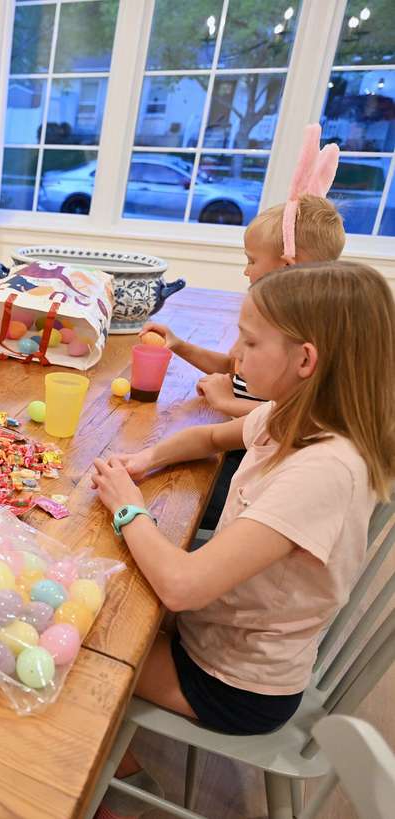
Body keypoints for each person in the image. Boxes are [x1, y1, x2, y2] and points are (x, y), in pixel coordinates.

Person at [89, 261, 395, 818]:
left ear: (306, 359)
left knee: (92, 650)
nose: (236, 355)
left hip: (235, 686)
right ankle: (117, 768)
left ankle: (115, 789)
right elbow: (210, 434)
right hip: (223, 637)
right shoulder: (295, 416)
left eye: (251, 342)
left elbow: (183, 586)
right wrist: (145, 458)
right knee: (109, 601)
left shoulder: (325, 469)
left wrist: (128, 506)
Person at [143, 194, 345, 419]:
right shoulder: (270, 320)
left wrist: (226, 402)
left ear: (286, 267)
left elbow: (295, 417)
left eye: (252, 260)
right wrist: (178, 345)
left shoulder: (304, 336)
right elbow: (235, 366)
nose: (246, 271)